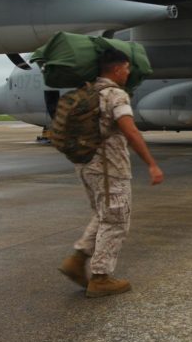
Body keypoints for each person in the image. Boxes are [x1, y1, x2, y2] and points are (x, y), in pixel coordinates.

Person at [58, 49, 164, 298]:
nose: (128, 73)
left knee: (104, 214)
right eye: (127, 68)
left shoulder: (88, 92)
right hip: (110, 169)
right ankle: (101, 277)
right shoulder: (115, 95)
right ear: (117, 69)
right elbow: (130, 131)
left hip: (85, 165)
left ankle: (77, 259)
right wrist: (151, 163)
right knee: (116, 220)